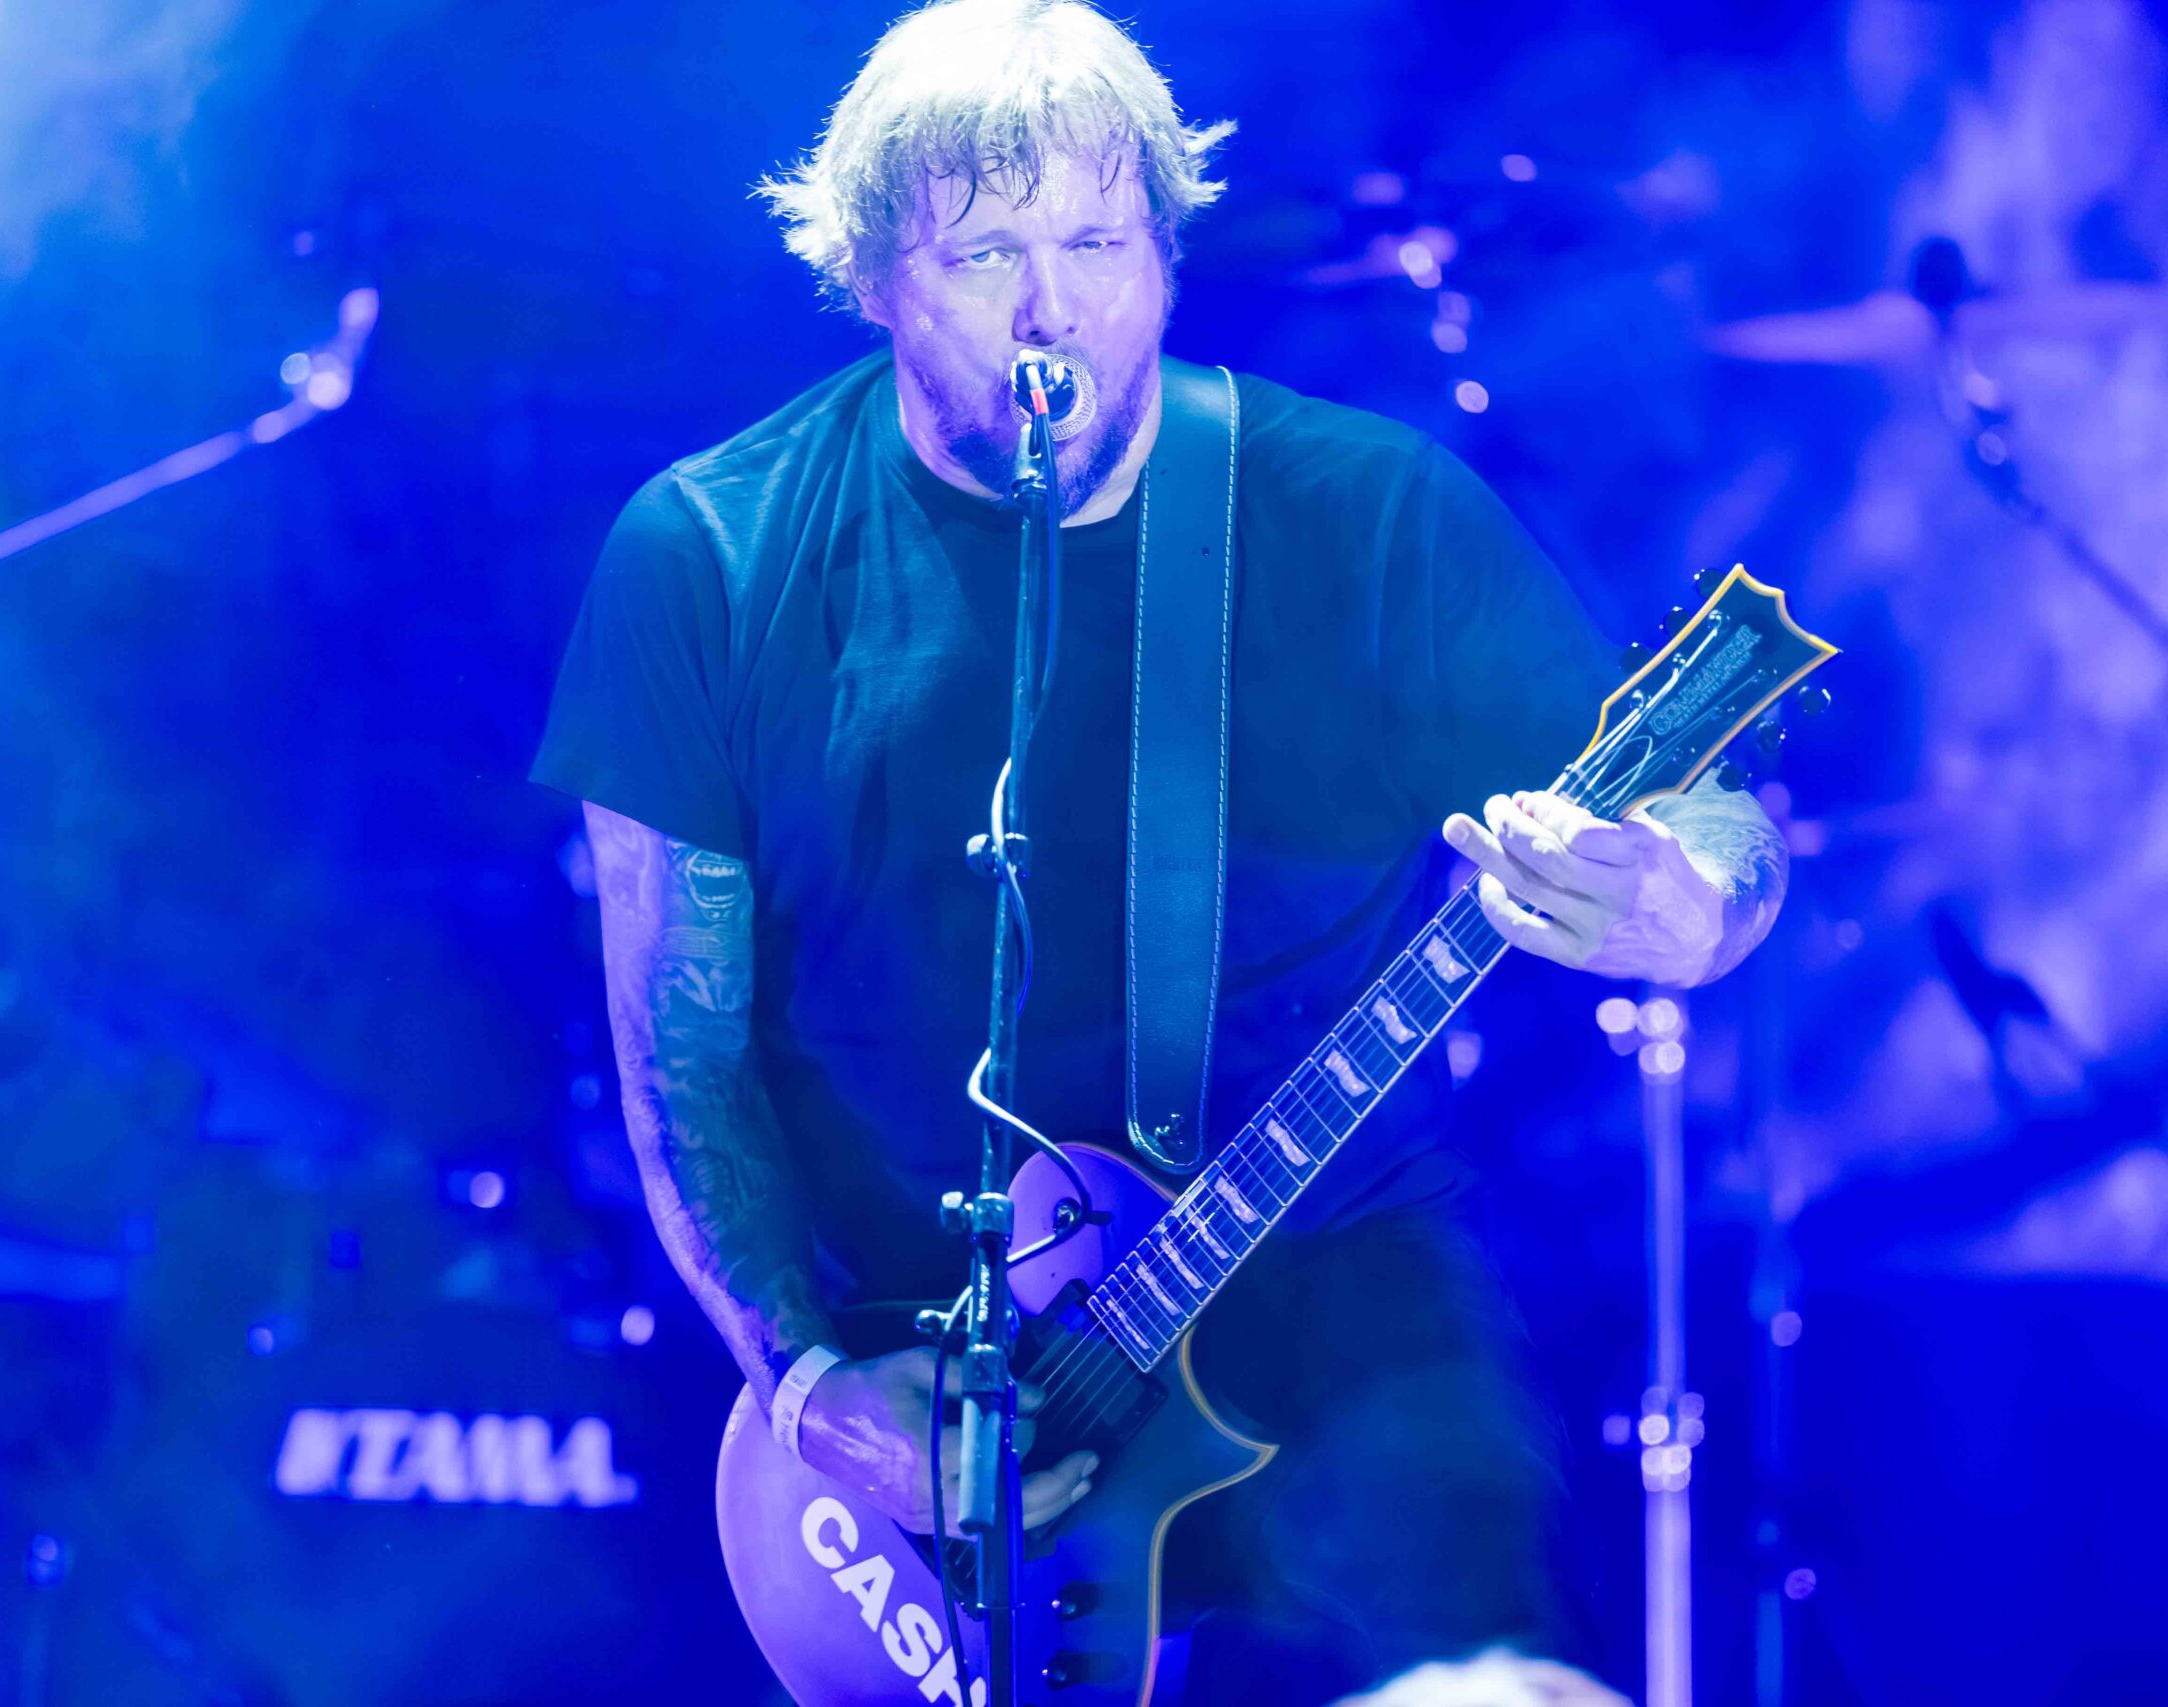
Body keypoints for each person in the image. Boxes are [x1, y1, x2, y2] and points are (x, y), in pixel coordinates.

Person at [533, 0, 1787, 1695]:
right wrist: (811, 1390)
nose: (1051, 308)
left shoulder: (1370, 514)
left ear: (1167, 253)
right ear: (873, 275)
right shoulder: (706, 557)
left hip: (1337, 1315)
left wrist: (1696, 905)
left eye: (1099, 244)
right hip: (927, 1401)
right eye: (984, 255)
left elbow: (1708, 814)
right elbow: (677, 1049)